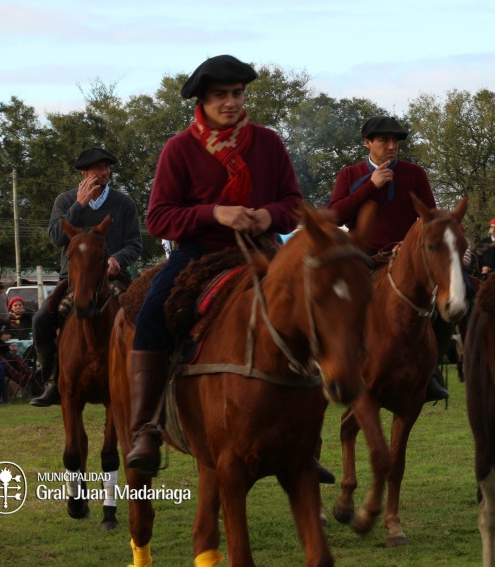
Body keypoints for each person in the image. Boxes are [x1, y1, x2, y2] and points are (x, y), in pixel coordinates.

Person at [125, 54, 303, 475]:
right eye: (221, 95)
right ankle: (145, 428)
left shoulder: (269, 141)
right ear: (202, 100)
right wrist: (214, 214)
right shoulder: (179, 148)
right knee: (152, 313)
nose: (231, 102)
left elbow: (294, 205)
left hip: (262, 251)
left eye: (237, 94)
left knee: (316, 306)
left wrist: (269, 215)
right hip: (199, 253)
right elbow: (158, 219)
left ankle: (305, 438)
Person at [328, 115, 450, 403]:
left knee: (453, 298)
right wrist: (370, 185)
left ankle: (430, 371)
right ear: (367, 142)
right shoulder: (350, 174)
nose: (392, 146)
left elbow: (428, 217)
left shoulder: (414, 174)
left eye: (396, 141)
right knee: (334, 298)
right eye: (384, 140)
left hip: (404, 256)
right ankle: (337, 366)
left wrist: (408, 246)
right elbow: (335, 216)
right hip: (362, 255)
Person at [30, 147, 143, 406]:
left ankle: (145, 376)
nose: (104, 173)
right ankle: (51, 380)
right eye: (97, 169)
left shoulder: (124, 203)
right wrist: (79, 206)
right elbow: (57, 237)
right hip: (72, 279)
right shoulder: (65, 201)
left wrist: (117, 259)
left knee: (144, 312)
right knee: (40, 320)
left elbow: (134, 244)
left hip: (112, 277)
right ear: (84, 172)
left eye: (106, 168)